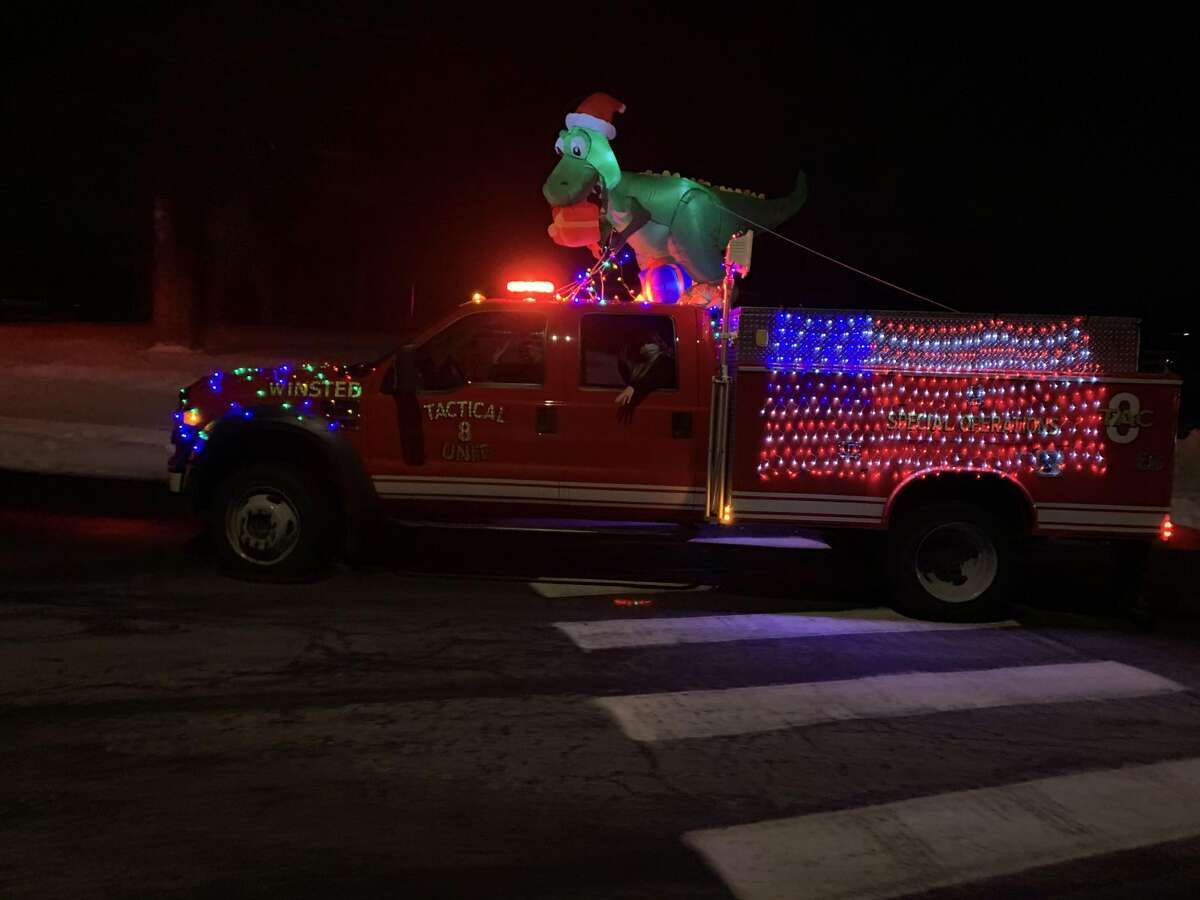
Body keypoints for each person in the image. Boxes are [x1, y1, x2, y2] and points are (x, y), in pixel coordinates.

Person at [615, 327, 674, 414]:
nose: (645, 346)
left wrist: (634, 387)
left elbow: (653, 378)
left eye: (649, 342)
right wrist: (622, 362)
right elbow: (630, 380)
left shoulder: (665, 361)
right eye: (642, 343)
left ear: (658, 344)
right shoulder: (642, 363)